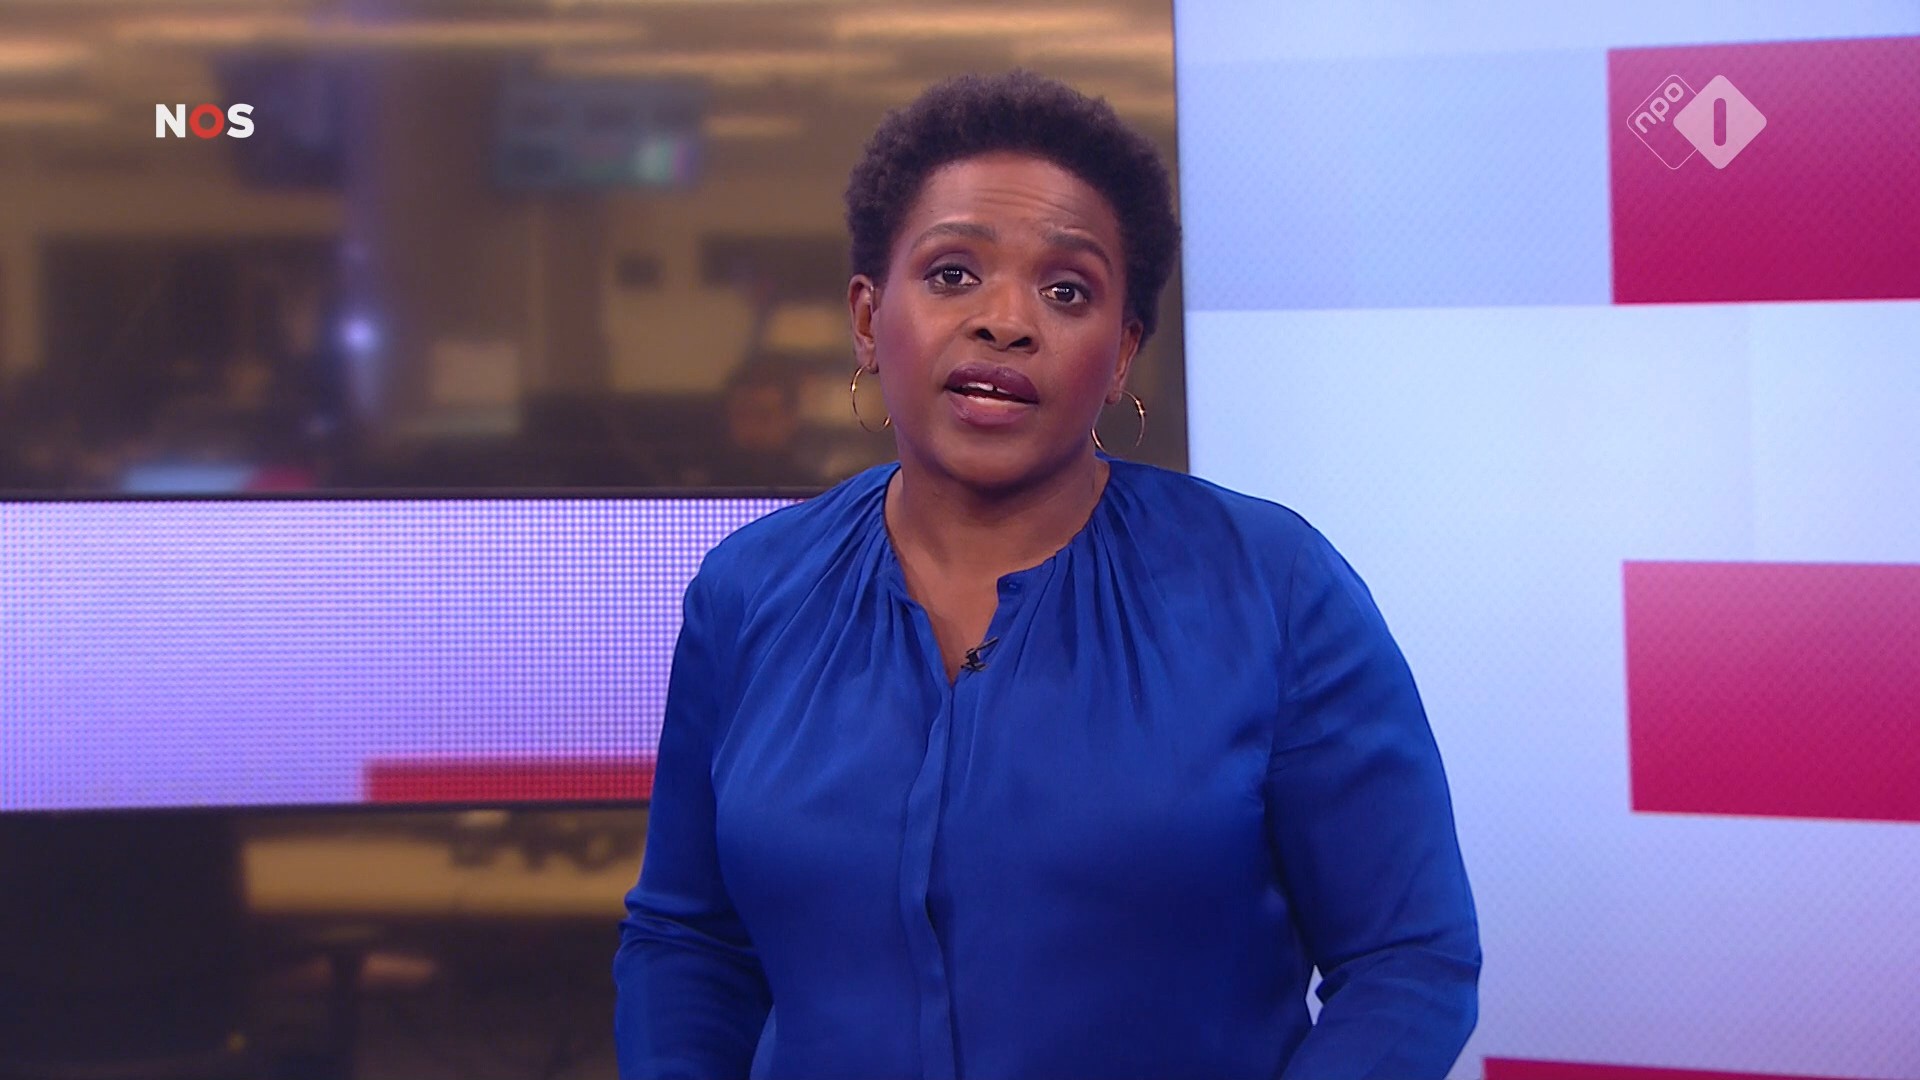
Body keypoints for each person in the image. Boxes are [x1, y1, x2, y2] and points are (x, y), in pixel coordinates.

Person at [615, 71, 1479, 1079]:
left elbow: (1409, 961)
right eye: (952, 274)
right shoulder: (749, 590)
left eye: (1067, 291)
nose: (1006, 321)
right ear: (866, 317)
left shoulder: (1273, 587)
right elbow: (688, 941)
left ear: (1122, 355)